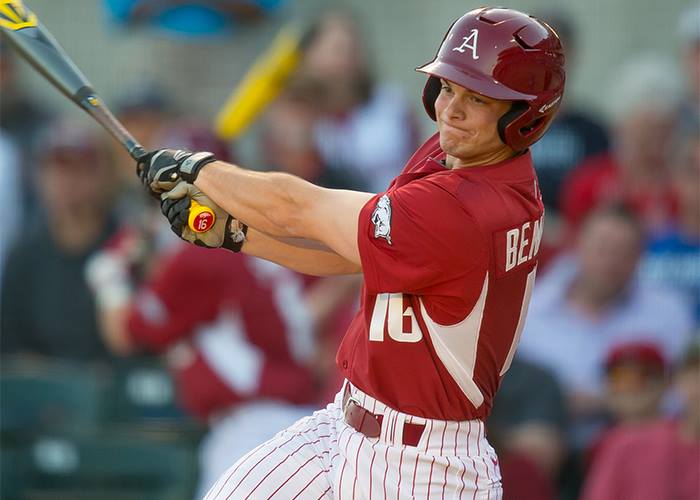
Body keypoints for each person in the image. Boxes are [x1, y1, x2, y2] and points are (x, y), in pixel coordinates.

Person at [137, 7, 565, 498]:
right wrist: (237, 234)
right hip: (345, 424)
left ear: (524, 117)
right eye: (448, 87)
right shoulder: (459, 160)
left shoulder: (467, 207)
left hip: (422, 469)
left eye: (479, 99)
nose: (451, 111)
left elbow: (299, 207)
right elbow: (358, 251)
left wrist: (201, 170)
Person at [517, 207, 694, 447]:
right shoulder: (532, 308)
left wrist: (612, 402)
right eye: (602, 248)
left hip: (640, 442)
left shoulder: (668, 313)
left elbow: (686, 394)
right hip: (553, 445)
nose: (611, 261)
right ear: (577, 247)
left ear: (639, 257)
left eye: (623, 252)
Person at [1, 121, 119, 361]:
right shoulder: (26, 255)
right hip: (45, 391)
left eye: (81, 168)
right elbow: (10, 341)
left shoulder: (127, 246)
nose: (67, 181)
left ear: (103, 175)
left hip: (112, 388)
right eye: (56, 168)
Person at [580, 342, 700, 500]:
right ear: (680, 381)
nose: (630, 387)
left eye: (643, 377)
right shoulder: (620, 446)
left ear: (665, 382)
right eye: (619, 378)